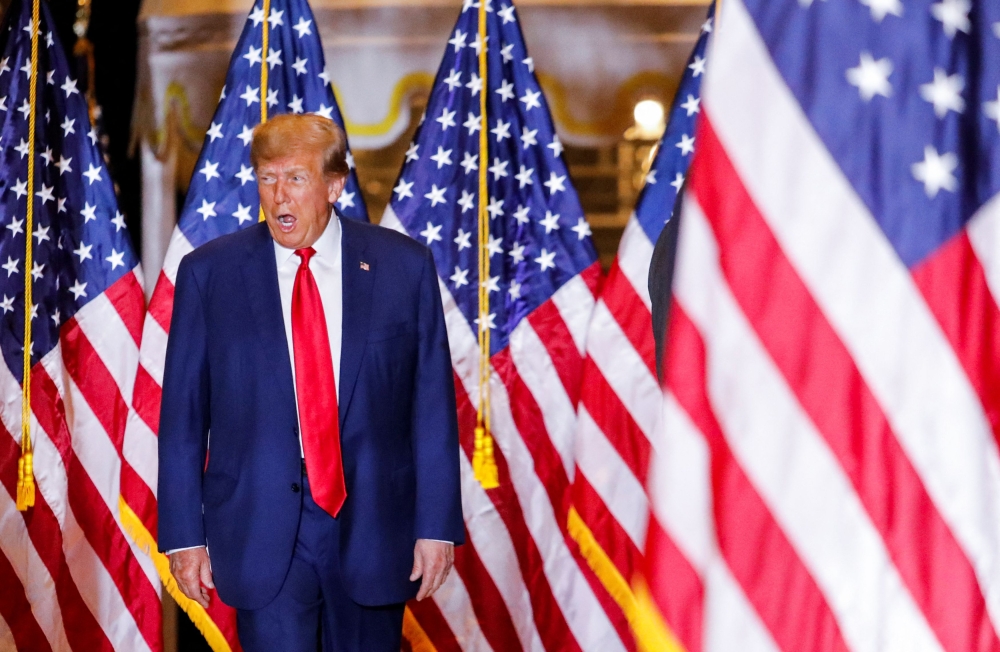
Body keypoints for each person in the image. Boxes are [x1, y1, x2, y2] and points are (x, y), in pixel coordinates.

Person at [157, 113, 464, 652]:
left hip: (371, 521)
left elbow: (431, 409)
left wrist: (437, 526)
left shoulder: (402, 267)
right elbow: (182, 419)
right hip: (260, 523)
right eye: (267, 178)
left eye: (295, 178)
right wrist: (184, 536)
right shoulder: (209, 274)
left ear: (334, 185)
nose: (279, 195)